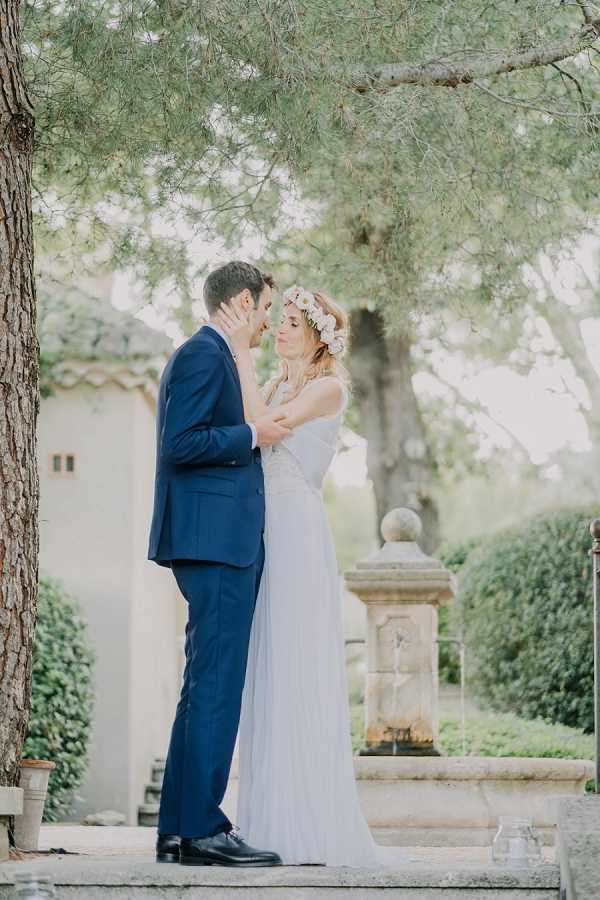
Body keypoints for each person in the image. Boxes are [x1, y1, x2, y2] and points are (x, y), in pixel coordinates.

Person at [216, 285, 410, 867]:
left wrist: (241, 354)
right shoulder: (278, 383)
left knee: (295, 657)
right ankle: (269, 817)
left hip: (295, 527)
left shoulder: (327, 388)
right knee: (267, 662)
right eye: (280, 321)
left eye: (292, 323)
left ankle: (308, 824)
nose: (278, 329)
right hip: (261, 525)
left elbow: (261, 427)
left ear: (318, 335)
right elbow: (250, 422)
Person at [147, 261, 288, 867]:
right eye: (263, 310)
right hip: (215, 545)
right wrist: (251, 435)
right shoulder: (204, 354)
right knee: (217, 687)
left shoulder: (215, 355)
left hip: (213, 542)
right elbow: (180, 444)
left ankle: (179, 830)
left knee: (203, 686)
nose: (265, 323)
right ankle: (204, 829)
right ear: (242, 302)